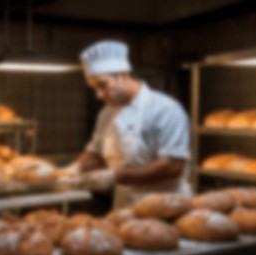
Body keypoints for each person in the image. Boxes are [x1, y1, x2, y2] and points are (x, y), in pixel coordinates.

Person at [61, 40, 192, 209]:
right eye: (94, 88)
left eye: (102, 85)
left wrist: (114, 176)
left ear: (123, 75)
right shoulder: (106, 113)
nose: (98, 95)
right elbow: (96, 154)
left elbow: (173, 166)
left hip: (165, 205)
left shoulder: (165, 109)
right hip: (125, 206)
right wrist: (74, 170)